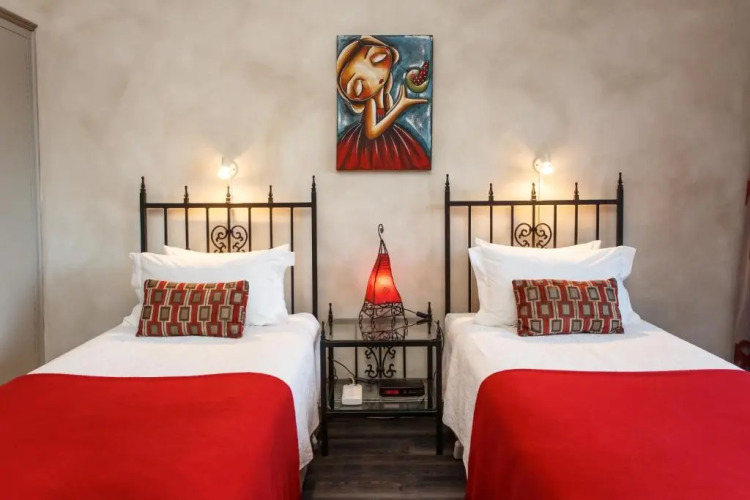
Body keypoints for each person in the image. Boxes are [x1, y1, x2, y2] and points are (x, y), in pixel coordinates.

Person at [336, 36, 431, 170]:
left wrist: (400, 105)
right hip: (369, 147)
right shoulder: (371, 102)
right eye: (358, 85)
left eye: (378, 60)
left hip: (389, 138)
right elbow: (371, 133)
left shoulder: (385, 96)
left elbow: (386, 121)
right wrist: (400, 106)